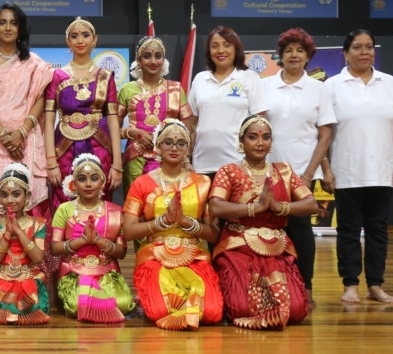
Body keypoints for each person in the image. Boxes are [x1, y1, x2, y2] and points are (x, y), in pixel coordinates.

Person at [323, 29, 393, 305]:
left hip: (382, 172)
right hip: (346, 171)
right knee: (348, 231)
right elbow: (323, 131)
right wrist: (326, 167)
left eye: (369, 47)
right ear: (345, 53)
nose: (364, 52)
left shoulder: (390, 83)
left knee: (377, 230)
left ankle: (375, 285)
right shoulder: (332, 86)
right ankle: (350, 285)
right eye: (357, 47)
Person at [209, 116, 318, 329]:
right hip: (237, 248)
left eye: (266, 137)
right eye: (253, 137)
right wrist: (255, 208)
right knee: (240, 306)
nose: (260, 143)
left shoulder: (283, 171)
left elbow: (311, 204)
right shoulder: (228, 171)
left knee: (296, 309)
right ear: (241, 142)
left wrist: (279, 207)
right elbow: (216, 207)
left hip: (276, 248)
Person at [122, 120, 223, 331]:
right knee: (161, 310)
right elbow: (129, 231)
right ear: (157, 146)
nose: (174, 148)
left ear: (188, 148)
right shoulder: (141, 183)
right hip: (153, 256)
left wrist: (186, 222)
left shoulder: (203, 183)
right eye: (168, 142)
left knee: (212, 313)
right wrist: (163, 222)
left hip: (194, 256)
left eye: (181, 143)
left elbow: (214, 234)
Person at [261, 28, 336, 303]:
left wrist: (306, 175)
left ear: (308, 57)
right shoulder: (265, 85)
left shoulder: (319, 88)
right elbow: (255, 127)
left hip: (302, 173)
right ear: (280, 55)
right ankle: (274, 286)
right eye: (289, 50)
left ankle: (306, 288)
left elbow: (325, 134)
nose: (294, 54)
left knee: (301, 229)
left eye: (300, 50)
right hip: (267, 171)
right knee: (270, 229)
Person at [0, 3, 53, 226]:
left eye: (13, 23)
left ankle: (31, 256)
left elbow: (40, 98)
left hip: (26, 138)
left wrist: (22, 131)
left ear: (20, 29)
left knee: (27, 193)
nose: (7, 27)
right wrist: (4, 135)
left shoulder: (33, 63)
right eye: (2, 22)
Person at [45, 18, 122, 213]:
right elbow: (47, 121)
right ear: (67, 41)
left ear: (95, 40)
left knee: (99, 196)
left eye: (86, 35)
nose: (80, 40)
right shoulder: (56, 76)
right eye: (75, 35)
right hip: (63, 146)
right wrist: (51, 161)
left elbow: (113, 121)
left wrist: (117, 165)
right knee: (64, 197)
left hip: (100, 145)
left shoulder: (105, 76)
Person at [50, 154, 134, 324]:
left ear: (102, 182)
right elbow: (54, 248)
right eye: (82, 179)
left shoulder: (115, 211)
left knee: (123, 304)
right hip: (74, 272)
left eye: (94, 178)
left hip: (106, 271)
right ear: (74, 184)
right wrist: (82, 240)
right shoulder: (64, 209)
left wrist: (98, 240)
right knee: (76, 305)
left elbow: (121, 252)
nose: (88, 184)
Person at [187, 25, 267, 178]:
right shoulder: (200, 79)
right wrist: (187, 158)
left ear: (236, 49)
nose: (220, 51)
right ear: (208, 51)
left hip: (239, 165)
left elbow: (260, 126)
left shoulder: (249, 77)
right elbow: (192, 125)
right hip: (202, 166)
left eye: (226, 45)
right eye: (214, 46)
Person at [117, 35, 193, 195]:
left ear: (163, 59)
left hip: (169, 158)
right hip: (135, 159)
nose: (153, 61)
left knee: (167, 205)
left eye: (158, 56)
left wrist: (186, 159)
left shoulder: (176, 89)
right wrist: (133, 132)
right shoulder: (127, 90)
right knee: (135, 207)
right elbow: (111, 130)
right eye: (147, 56)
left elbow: (188, 130)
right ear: (138, 60)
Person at [0, 163, 51, 325]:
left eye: (16, 194)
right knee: (2, 303)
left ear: (27, 196)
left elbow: (37, 258)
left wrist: (19, 232)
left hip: (29, 279)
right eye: (4, 195)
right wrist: (7, 233)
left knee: (30, 304)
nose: (10, 200)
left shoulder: (38, 224)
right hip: (2, 279)